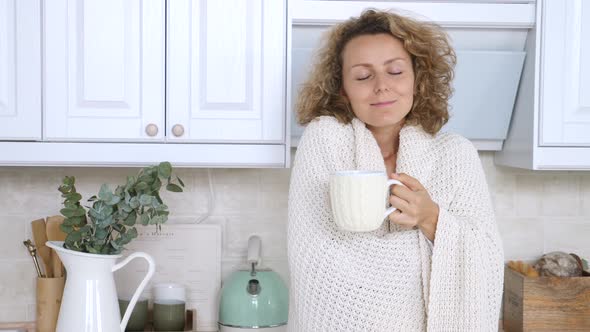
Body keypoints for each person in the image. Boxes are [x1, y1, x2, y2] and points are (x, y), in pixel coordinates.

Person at [287, 9, 504, 331]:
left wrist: (431, 217)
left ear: (418, 78)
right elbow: (315, 258)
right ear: (343, 89)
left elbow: (487, 256)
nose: (381, 87)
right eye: (363, 76)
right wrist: (416, 255)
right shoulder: (324, 140)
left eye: (396, 71)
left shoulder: (456, 155)